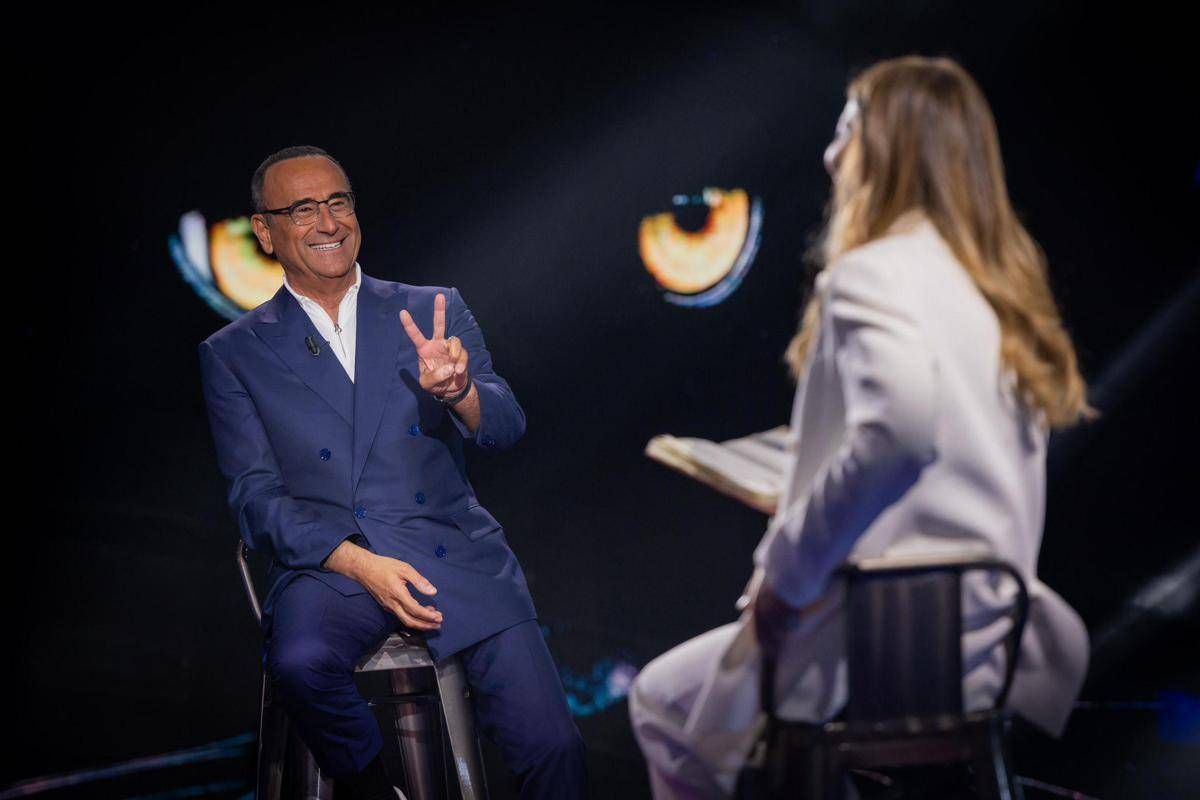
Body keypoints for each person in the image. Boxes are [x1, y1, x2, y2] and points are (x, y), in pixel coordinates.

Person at [629, 56, 1093, 798]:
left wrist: (784, 578)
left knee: (663, 702)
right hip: (989, 638)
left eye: (847, 130)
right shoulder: (998, 294)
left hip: (893, 641)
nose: (830, 155)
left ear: (891, 147)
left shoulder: (872, 273)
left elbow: (899, 435)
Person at [198, 145, 586, 800]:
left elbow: (506, 425)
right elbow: (254, 497)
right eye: (302, 210)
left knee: (555, 748)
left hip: (450, 550)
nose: (328, 223)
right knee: (299, 663)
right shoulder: (235, 352)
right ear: (264, 231)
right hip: (335, 565)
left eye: (338, 202)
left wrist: (461, 391)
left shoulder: (432, 308)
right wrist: (356, 563)